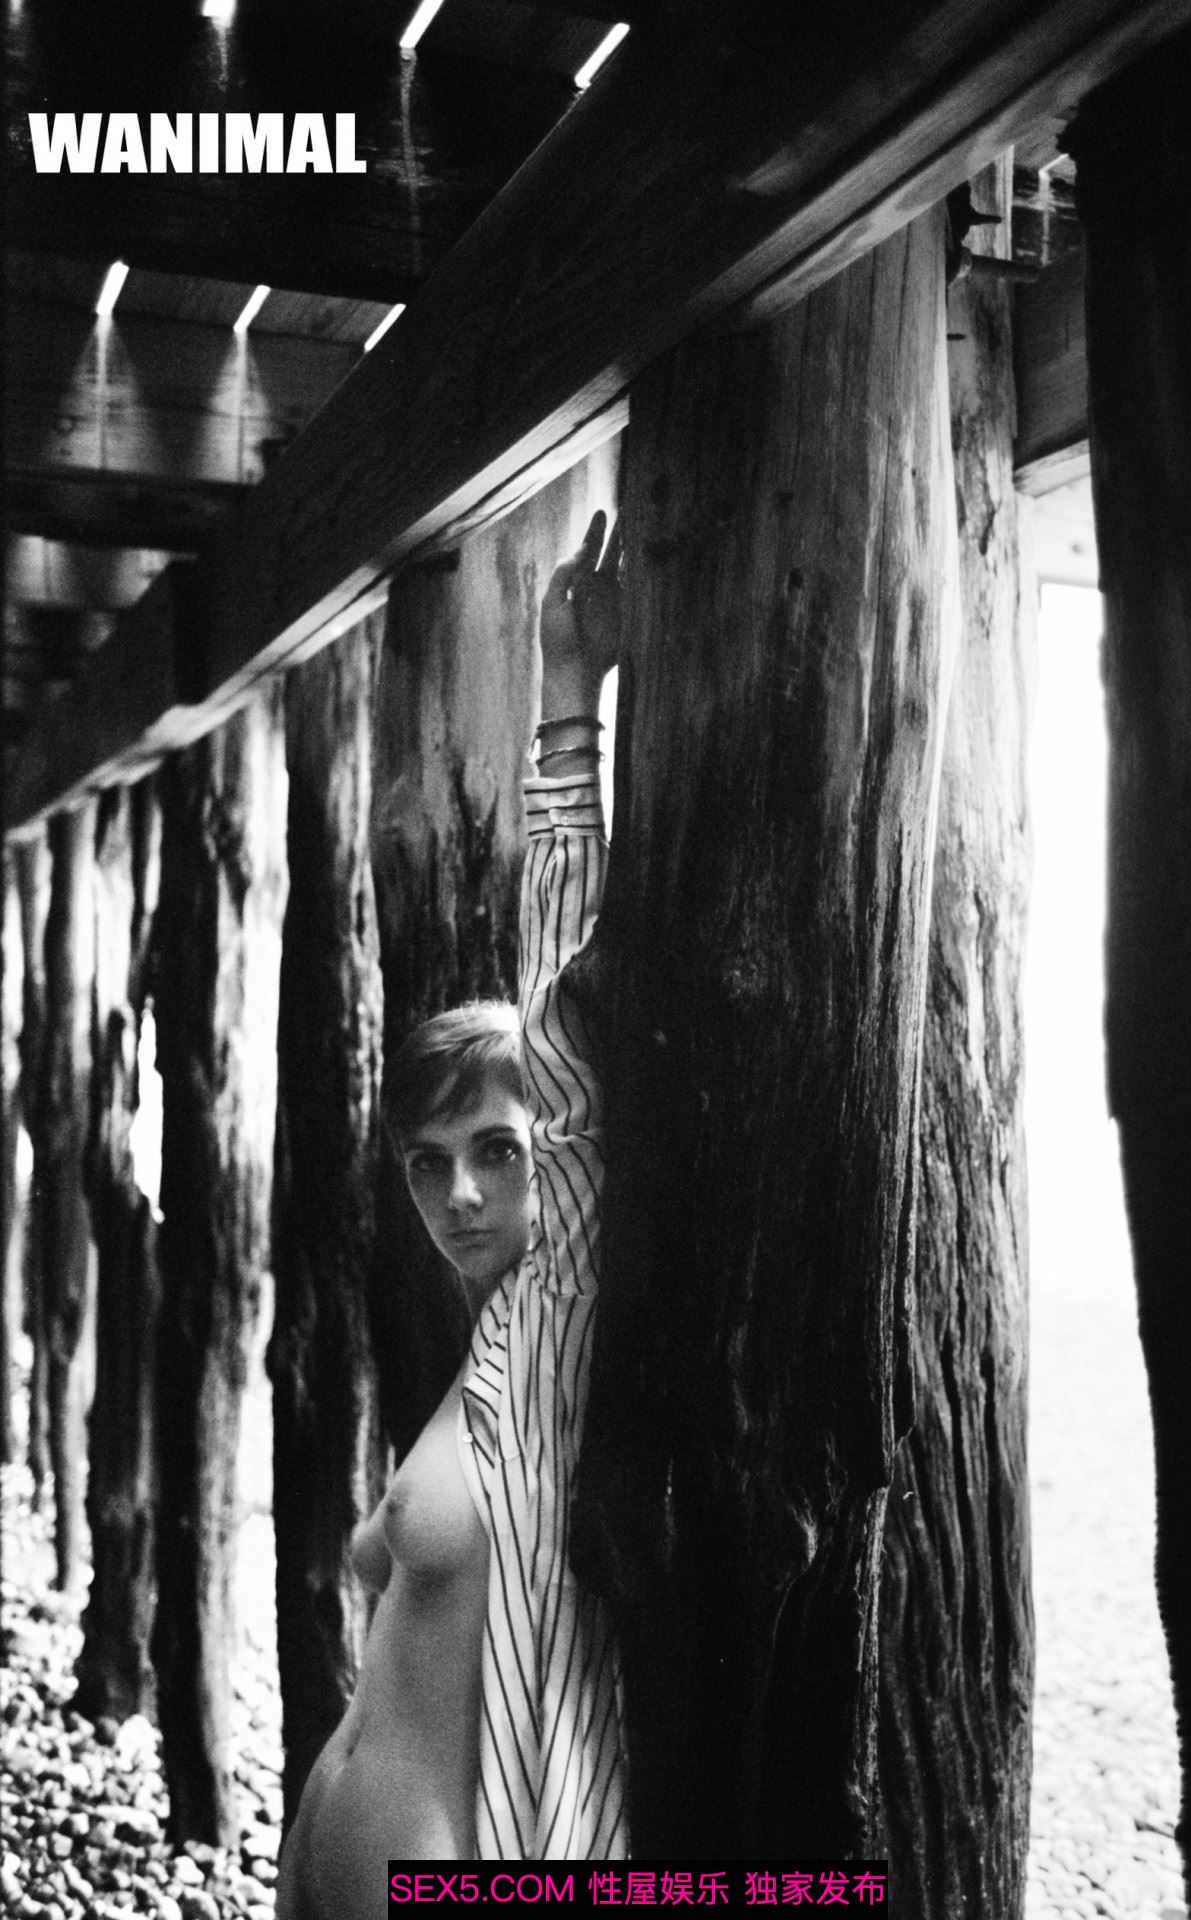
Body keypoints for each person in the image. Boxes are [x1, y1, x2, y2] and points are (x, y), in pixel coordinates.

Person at [275, 511, 628, 1918]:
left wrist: (566, 709)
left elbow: (570, 1024)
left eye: (495, 1149)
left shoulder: (559, 1324)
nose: (460, 1190)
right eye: (428, 1162)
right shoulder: (483, 1353)